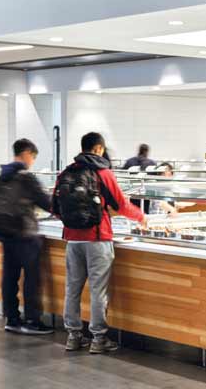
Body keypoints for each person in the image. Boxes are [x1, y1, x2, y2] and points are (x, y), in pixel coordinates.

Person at [54, 132, 147, 354]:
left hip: (72, 239)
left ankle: (73, 336)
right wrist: (141, 217)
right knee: (98, 290)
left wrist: (74, 222)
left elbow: (55, 208)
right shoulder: (103, 173)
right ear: (98, 149)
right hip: (97, 237)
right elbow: (122, 205)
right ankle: (98, 339)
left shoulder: (65, 172)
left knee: (72, 288)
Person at [0, 139, 53, 335]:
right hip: (24, 233)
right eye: (33, 157)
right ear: (26, 153)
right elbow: (46, 203)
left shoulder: (3, 175)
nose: (32, 161)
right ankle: (33, 320)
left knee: (9, 276)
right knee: (32, 278)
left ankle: (12, 318)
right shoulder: (26, 177)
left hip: (5, 232)